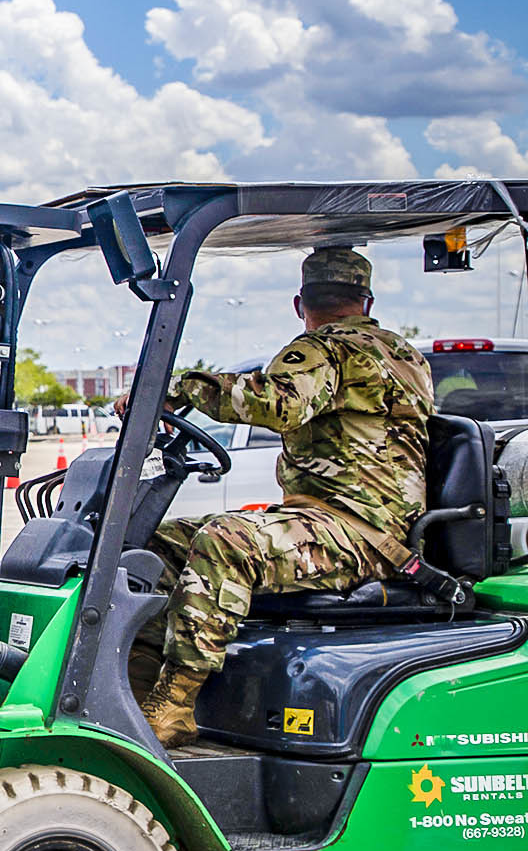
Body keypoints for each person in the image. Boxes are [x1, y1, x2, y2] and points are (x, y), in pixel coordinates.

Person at [127, 247, 434, 747]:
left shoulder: (328, 349)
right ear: (367, 300)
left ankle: (174, 704)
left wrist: (178, 390)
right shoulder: (406, 354)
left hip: (355, 534)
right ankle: (138, 689)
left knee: (226, 541)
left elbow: (279, 404)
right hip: (349, 526)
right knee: (157, 542)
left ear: (300, 304)